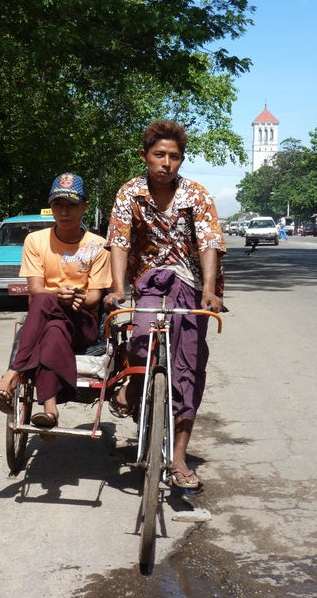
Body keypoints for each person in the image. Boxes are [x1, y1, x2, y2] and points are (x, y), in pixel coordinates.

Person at [104, 120, 226, 489]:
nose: (166, 163)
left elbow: (208, 244)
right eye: (159, 155)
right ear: (145, 157)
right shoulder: (129, 193)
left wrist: (209, 289)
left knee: (188, 367)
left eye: (174, 157)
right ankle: (132, 387)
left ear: (181, 160)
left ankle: (178, 458)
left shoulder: (197, 195)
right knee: (140, 336)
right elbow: (120, 242)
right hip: (148, 280)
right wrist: (116, 287)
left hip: (190, 285)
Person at [0, 173, 112, 428]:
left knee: (43, 302)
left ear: (84, 206)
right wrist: (58, 298)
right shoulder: (35, 241)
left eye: (71, 205)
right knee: (51, 326)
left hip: (83, 321)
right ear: (51, 207)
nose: (64, 212)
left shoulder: (97, 245)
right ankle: (50, 410)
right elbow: (35, 288)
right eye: (58, 205)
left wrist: (72, 297)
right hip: (48, 319)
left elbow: (95, 298)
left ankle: (12, 374)